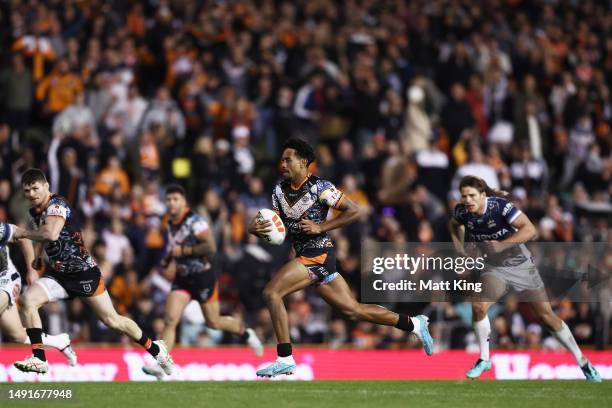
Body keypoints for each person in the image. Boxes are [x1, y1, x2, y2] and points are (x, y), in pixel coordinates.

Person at [248, 138, 433, 378]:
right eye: (281, 159)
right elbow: (273, 226)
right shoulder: (278, 190)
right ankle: (414, 324)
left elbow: (355, 211)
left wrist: (322, 226)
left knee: (272, 293)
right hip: (308, 257)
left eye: (288, 159)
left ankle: (285, 358)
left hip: (319, 255)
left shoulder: (320, 187)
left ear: (303, 162)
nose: (282, 163)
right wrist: (255, 228)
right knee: (354, 311)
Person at [8, 168, 174, 375]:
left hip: (83, 273)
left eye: (35, 188)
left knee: (113, 321)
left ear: (46, 186)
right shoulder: (36, 212)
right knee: (27, 301)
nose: (31, 194)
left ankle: (157, 349)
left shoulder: (57, 205)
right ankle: (39, 358)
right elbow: (43, 237)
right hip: (59, 275)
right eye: (26, 191)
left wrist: (21, 233)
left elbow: (50, 233)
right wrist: (38, 261)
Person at [449, 175, 601, 382]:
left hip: (520, 265)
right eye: (464, 195)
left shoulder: (500, 207)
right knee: (479, 306)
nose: (467, 200)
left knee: (546, 317)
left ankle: (583, 362)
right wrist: (461, 250)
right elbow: (454, 225)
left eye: (472, 195)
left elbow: (530, 230)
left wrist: (501, 245)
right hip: (494, 268)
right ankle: (484, 358)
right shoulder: (462, 212)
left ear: (483, 195)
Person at [142, 184, 263, 379]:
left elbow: (211, 247)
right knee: (170, 319)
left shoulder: (195, 221)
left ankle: (246, 333)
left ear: (184, 202)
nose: (171, 203)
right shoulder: (171, 221)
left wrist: (184, 252)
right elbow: (176, 246)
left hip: (202, 278)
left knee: (213, 322)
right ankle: (162, 364)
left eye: (175, 199)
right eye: (168, 200)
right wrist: (168, 259)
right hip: (182, 278)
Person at [0, 236, 76, 366]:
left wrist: (31, 269)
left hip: (5, 281)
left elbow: (24, 238)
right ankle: (58, 341)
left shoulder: (2, 229)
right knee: (17, 335)